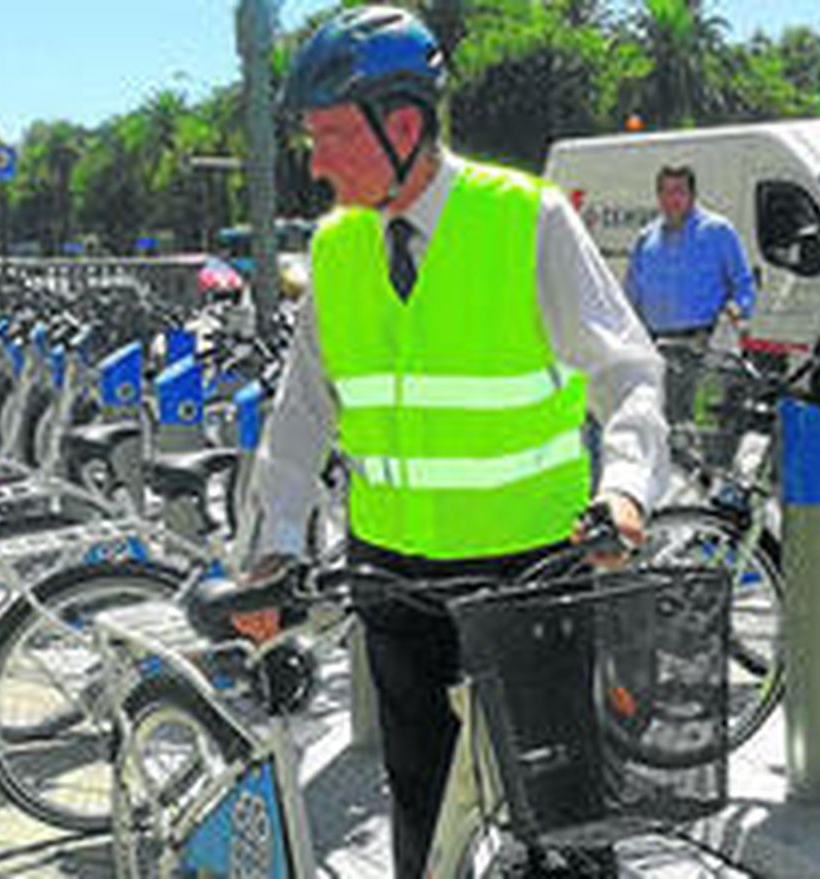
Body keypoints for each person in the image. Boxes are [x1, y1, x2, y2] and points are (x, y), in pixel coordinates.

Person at [241, 8, 668, 877]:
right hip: (394, 574)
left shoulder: (527, 220)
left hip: (535, 570)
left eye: (328, 135)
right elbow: (298, 418)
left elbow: (627, 371)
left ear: (403, 127)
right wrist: (271, 550)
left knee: (565, 815)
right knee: (422, 803)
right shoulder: (333, 248)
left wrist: (625, 489)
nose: (313, 162)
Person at [623, 165, 755, 426]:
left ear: (692, 195)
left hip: (702, 348)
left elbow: (743, 284)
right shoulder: (646, 238)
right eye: (665, 192)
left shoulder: (717, 232)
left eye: (679, 191)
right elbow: (631, 293)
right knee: (661, 423)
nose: (672, 199)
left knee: (701, 426)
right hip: (656, 349)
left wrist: (737, 311)